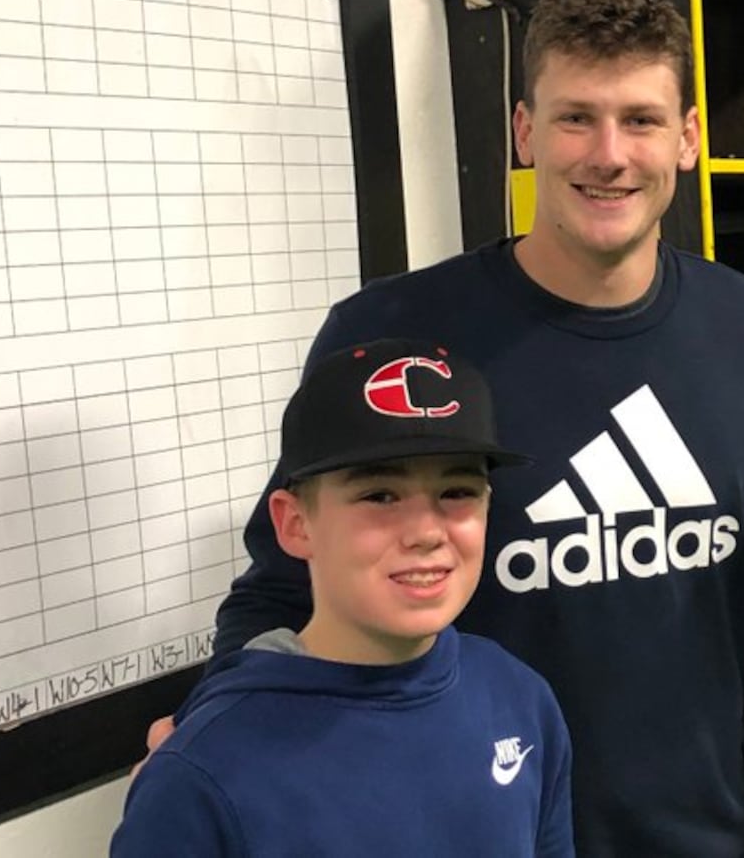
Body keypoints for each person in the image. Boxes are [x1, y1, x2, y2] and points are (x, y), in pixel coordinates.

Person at [143, 0, 744, 856]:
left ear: (688, 139)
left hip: (708, 830)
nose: (608, 153)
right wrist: (218, 725)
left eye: (641, 119)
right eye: (576, 117)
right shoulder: (392, 334)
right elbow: (285, 579)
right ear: (526, 133)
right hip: (471, 828)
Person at [112, 339, 572, 856]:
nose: (425, 532)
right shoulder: (203, 772)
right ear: (294, 523)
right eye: (379, 496)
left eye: (457, 492)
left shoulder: (519, 698)